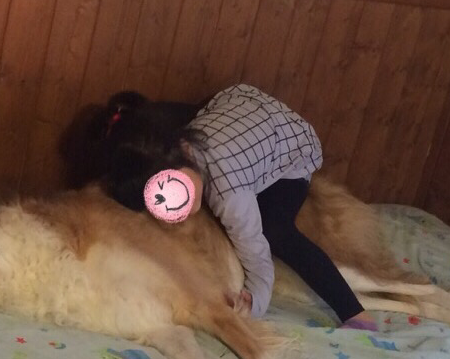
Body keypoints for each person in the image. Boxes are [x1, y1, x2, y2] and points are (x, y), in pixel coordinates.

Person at [63, 85, 376, 329]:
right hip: (238, 104)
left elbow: (259, 260)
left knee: (276, 230)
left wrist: (253, 303)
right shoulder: (165, 140)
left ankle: (353, 312)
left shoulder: (231, 196)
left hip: (291, 144)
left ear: (182, 152)